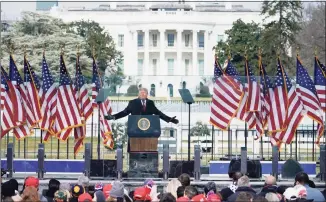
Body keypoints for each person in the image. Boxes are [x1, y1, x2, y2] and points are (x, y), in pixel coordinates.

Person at [105, 88, 179, 124]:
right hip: (135, 128)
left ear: (147, 94)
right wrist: (113, 117)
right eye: (141, 93)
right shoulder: (132, 102)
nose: (142, 94)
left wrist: (169, 119)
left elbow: (158, 113)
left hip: (148, 128)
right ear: (138, 94)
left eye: (144, 93)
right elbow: (124, 112)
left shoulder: (150, 103)